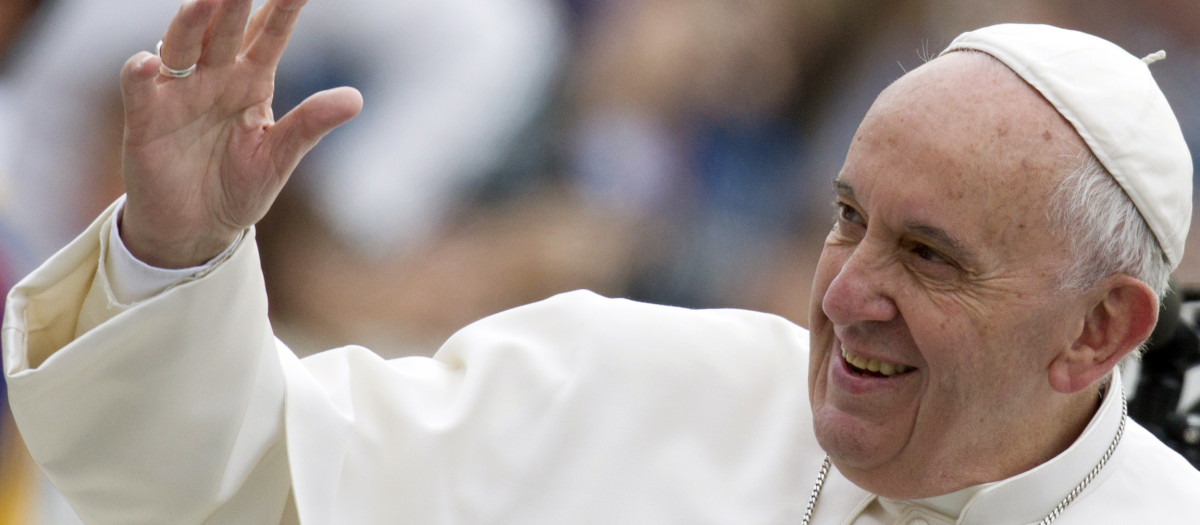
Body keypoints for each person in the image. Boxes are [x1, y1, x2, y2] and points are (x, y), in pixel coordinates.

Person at [3, 0, 1199, 523]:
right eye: (848, 218)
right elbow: (233, 488)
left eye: (929, 255)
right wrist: (178, 256)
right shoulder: (626, 382)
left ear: (1100, 329)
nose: (843, 292)